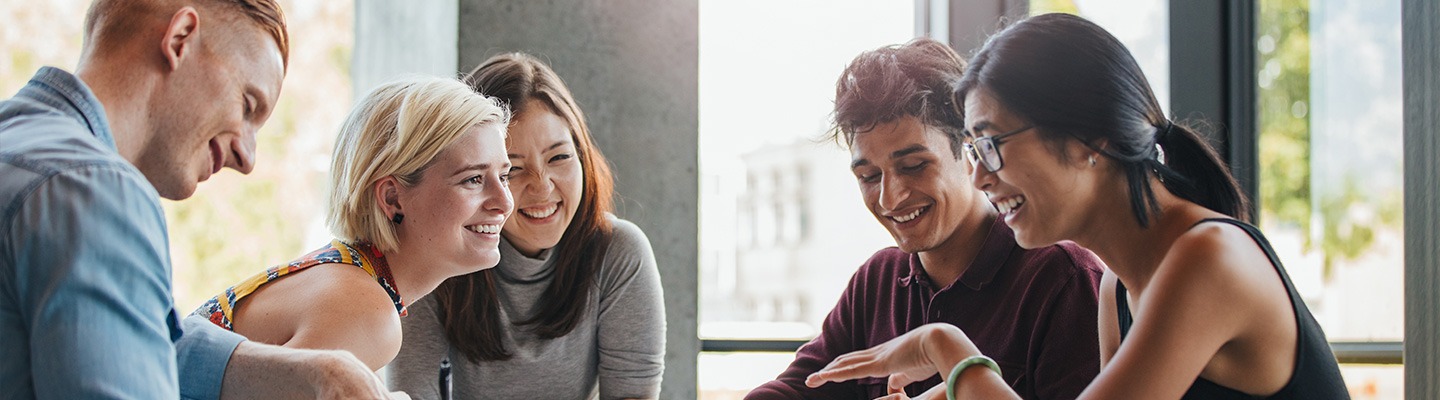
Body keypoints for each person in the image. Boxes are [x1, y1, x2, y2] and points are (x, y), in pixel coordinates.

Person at [805, 13, 1349, 400]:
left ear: (1091, 139)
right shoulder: (1118, 288)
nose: (978, 175)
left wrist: (943, 346)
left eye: (991, 144)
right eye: (973, 149)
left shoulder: (1207, 259)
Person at [0, 0, 403, 398]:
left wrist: (321, 372)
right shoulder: (95, 190)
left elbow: (137, 335)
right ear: (180, 39)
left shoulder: (23, 150)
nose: (247, 159)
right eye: (247, 105)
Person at [745, 38, 1105, 400]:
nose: (889, 198)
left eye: (913, 166)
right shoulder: (877, 281)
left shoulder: (1062, 280)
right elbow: (793, 389)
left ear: (970, 153)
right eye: (869, 177)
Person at [386, 52, 666, 399]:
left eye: (559, 157)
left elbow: (633, 395)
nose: (542, 186)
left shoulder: (618, 251)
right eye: (512, 170)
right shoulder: (435, 256)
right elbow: (413, 393)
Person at [191, 76, 514, 371]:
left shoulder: (349, 276)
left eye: (504, 176)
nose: (504, 202)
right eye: (473, 179)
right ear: (392, 198)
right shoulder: (366, 314)